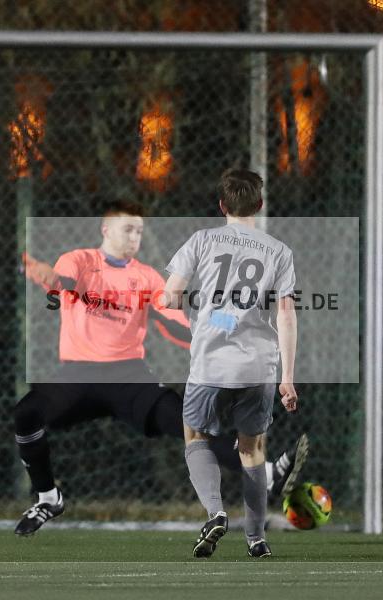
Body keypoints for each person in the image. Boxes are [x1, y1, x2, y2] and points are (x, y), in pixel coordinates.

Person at [13, 201, 308, 536]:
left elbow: (180, 325)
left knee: (187, 424)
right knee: (26, 414)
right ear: (105, 229)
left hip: (128, 375)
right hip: (78, 373)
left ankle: (267, 474)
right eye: (128, 229)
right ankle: (49, 498)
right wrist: (42, 272)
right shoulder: (80, 260)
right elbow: (61, 279)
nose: (134, 236)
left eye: (139, 230)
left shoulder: (147, 277)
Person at [164, 169, 299, 559]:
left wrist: (200, 309)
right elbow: (286, 316)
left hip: (209, 362)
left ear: (222, 205)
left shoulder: (202, 241)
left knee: (197, 437)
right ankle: (256, 538)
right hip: (259, 367)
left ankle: (215, 511)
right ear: (259, 204)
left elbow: (171, 296)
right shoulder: (278, 251)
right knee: (252, 451)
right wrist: (288, 378)